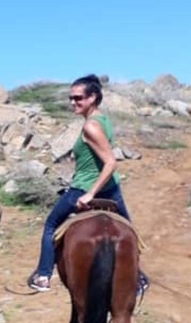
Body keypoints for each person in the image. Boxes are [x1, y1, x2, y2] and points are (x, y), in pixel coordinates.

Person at [28, 74, 149, 293]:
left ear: (92, 97)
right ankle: (136, 277)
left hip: (83, 188)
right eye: (71, 98)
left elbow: (110, 162)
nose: (73, 102)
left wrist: (90, 194)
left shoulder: (90, 127)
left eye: (78, 98)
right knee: (130, 232)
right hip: (112, 190)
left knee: (50, 225)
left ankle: (44, 275)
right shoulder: (103, 120)